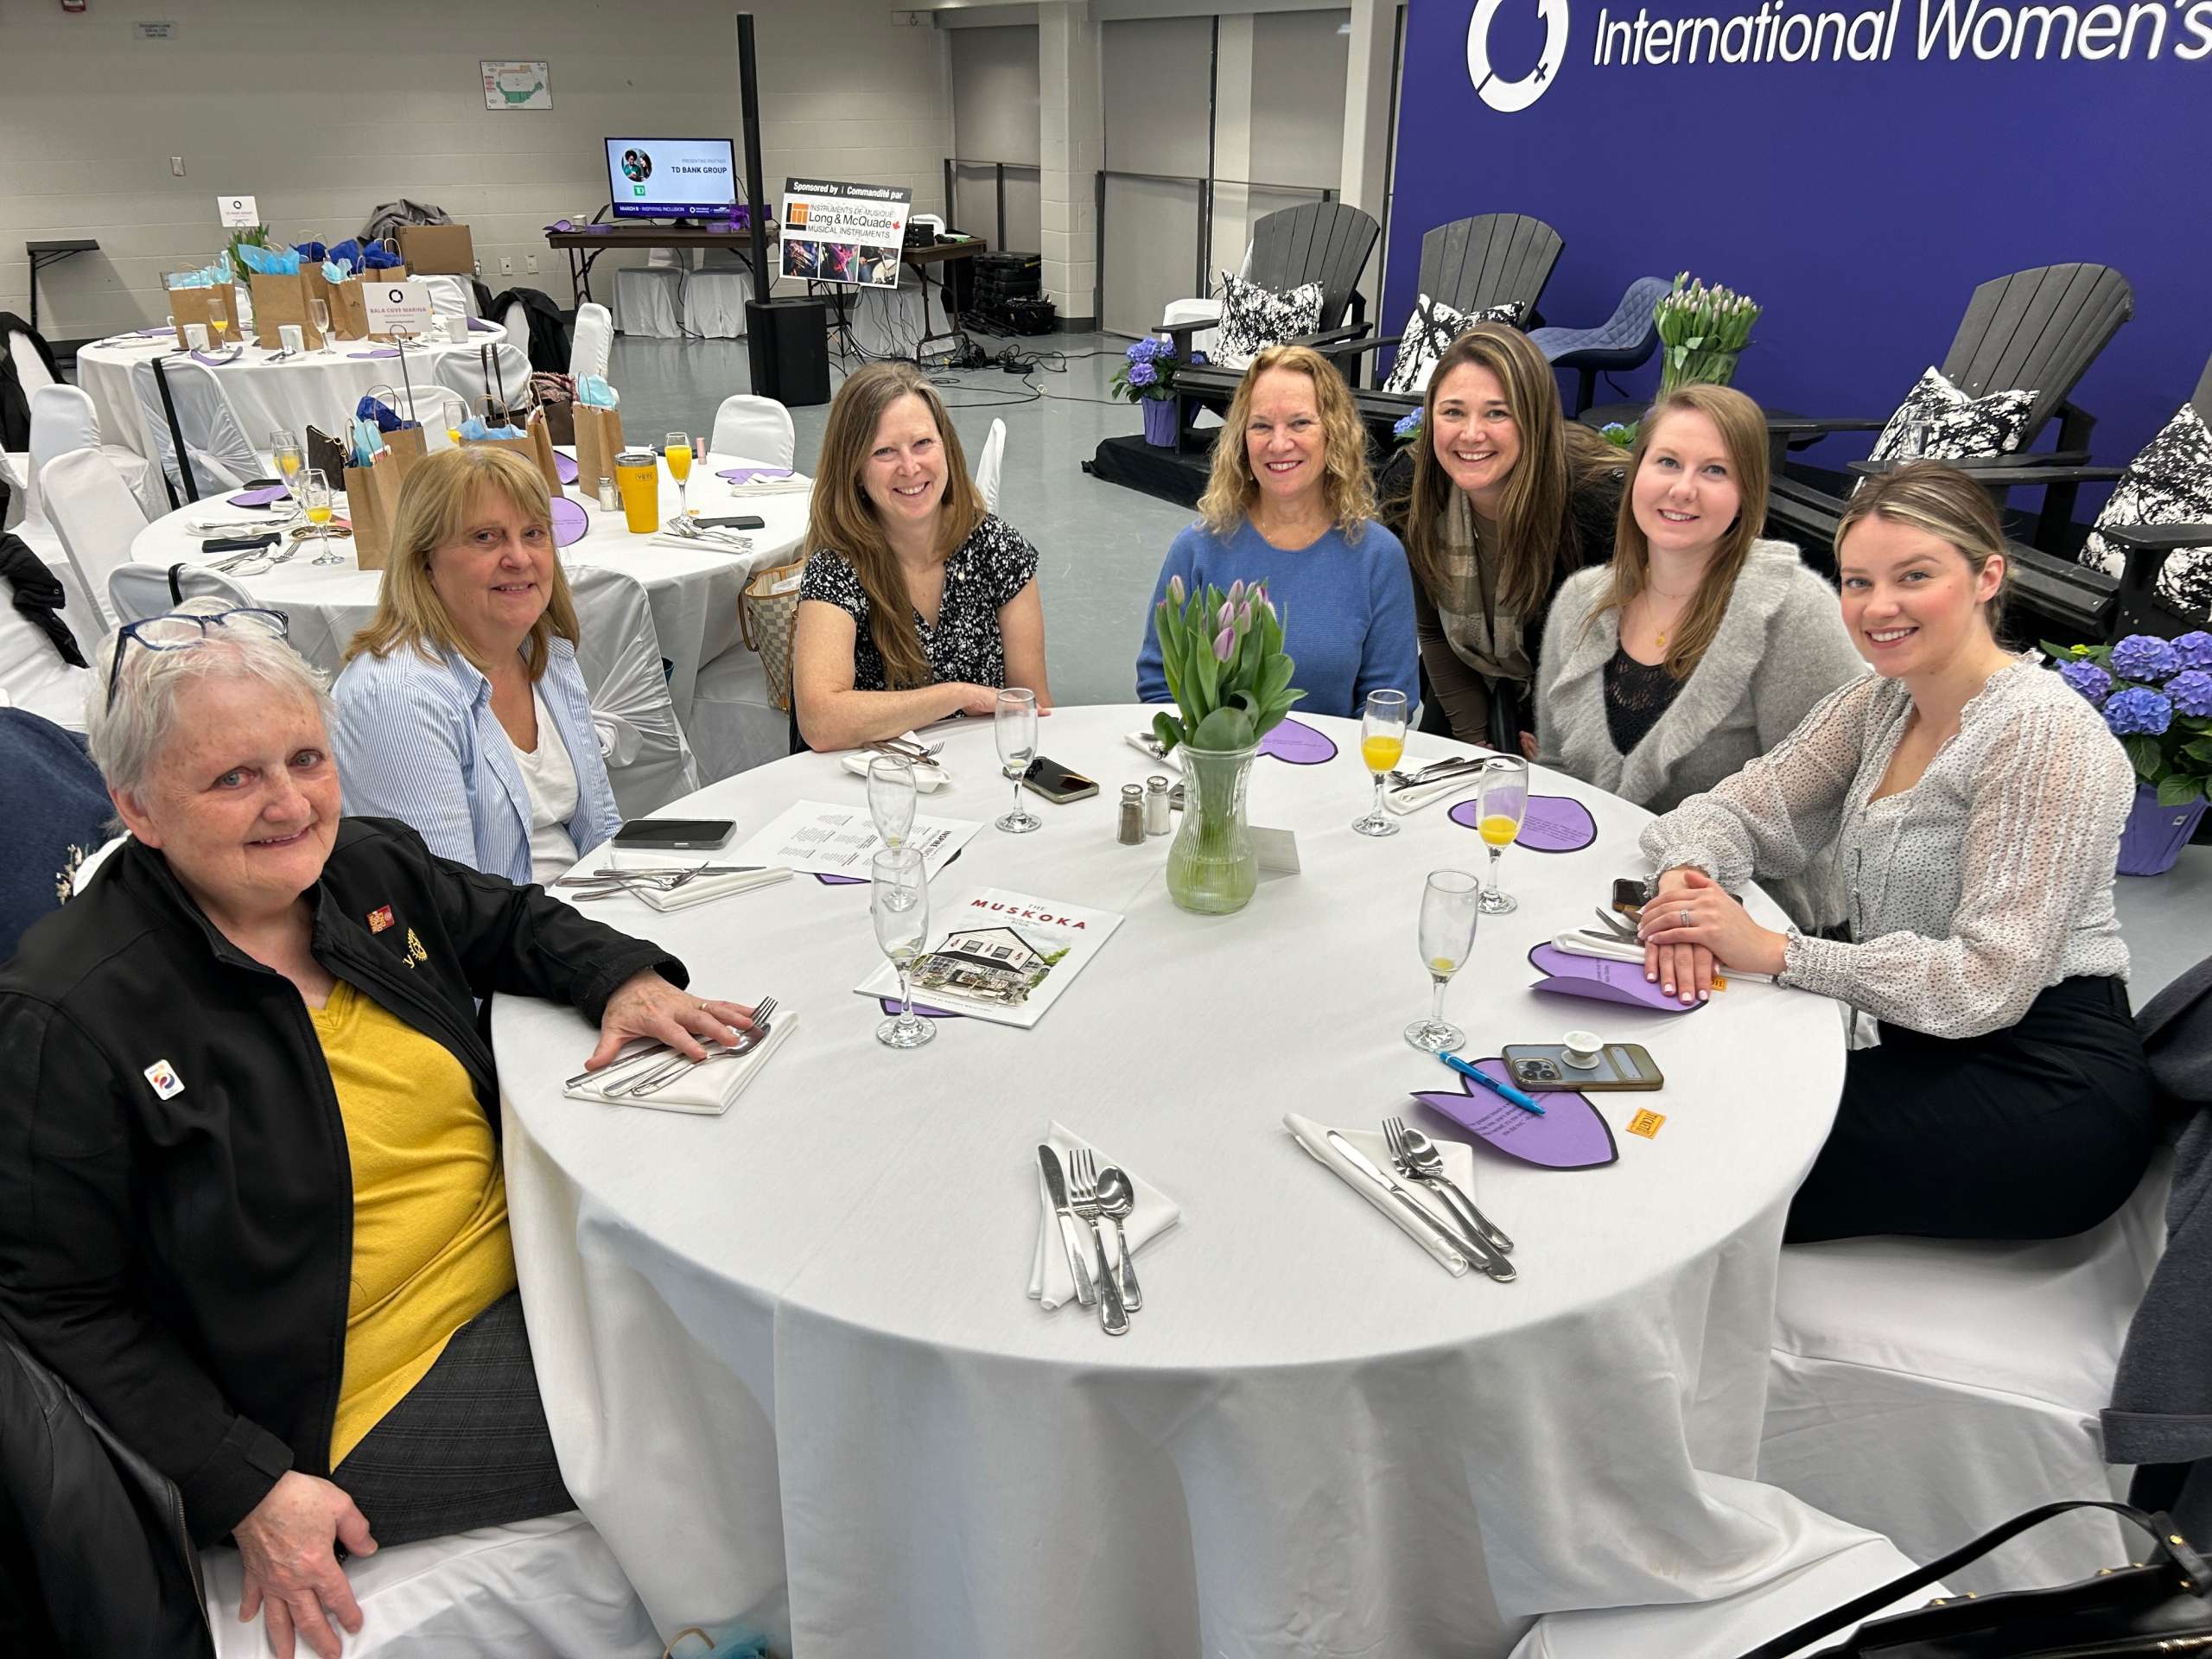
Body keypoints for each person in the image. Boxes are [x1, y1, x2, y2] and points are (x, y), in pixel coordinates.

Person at [0, 601, 758, 1659]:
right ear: (139, 808)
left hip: (537, 1260)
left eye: (305, 759)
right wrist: (243, 1484)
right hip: (358, 1389)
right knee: (723, 1412)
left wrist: (620, 977)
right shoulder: (71, 1013)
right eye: (234, 778)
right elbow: (53, 1302)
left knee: (759, 1304)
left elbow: (513, 919)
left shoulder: (365, 871)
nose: (289, 804)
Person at [1635, 461, 2157, 1243]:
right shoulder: (1881, 702)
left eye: (1914, 576)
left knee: (1697, 1160)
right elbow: (1735, 810)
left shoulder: (2044, 738)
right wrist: (1689, 881)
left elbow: (1987, 986)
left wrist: (1775, 951)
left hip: (2045, 1091)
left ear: (1987, 577)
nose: (1878, 607)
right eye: (1857, 582)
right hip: (1921, 1046)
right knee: (1670, 1098)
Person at [1535, 385, 1864, 929]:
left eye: (1715, 471)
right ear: (1636, 473)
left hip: (1748, 918)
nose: (1683, 489)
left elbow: (1823, 801)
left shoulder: (1794, 612)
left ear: (1747, 493)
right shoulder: (1580, 601)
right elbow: (1556, 771)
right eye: (1668, 462)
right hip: (1594, 903)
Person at [331, 446, 620, 886]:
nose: (519, 558)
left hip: (584, 906)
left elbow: (601, 832)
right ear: (424, 561)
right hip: (504, 925)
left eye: (534, 533)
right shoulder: (398, 698)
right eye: (486, 537)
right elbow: (450, 901)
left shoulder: (544, 655)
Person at [1136, 343, 1415, 720]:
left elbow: (1389, 702)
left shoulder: (1378, 557)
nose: (1279, 443)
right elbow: (1159, 685)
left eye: (1300, 423)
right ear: (1241, 439)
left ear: (1333, 433)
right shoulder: (1197, 549)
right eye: (1261, 426)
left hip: (1337, 757)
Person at [1380, 325, 1624, 753]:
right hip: (1466, 676)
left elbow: (1617, 659)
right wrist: (1477, 744)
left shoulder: (1595, 504)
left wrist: (1554, 743)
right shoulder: (1411, 489)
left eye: (1497, 413)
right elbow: (1433, 632)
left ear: (1534, 417)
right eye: (1453, 412)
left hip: (1583, 707)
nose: (1471, 434)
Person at [792, 361, 1050, 750]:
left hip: (981, 771)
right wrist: (956, 696)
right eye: (884, 452)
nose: (910, 467)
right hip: (876, 780)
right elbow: (820, 721)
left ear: (947, 447)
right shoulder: (838, 566)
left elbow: (1034, 710)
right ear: (855, 470)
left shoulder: (999, 549)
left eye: (923, 443)